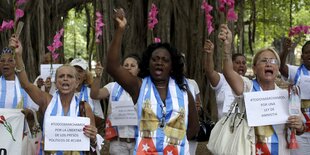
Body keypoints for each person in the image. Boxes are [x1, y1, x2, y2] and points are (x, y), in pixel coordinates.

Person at [106, 9, 199, 154]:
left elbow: (193, 127)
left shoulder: (184, 91)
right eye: (154, 59)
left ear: (172, 66)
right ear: (148, 64)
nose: (159, 63)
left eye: (165, 60)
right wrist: (120, 30)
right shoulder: (138, 86)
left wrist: (170, 145)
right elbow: (112, 67)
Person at [220, 24, 304, 155]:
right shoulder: (247, 87)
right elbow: (228, 72)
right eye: (264, 61)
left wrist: (299, 126)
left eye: (273, 61)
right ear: (254, 68)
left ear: (277, 69)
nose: (269, 64)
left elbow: (300, 128)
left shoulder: (287, 95)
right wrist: (227, 48)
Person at [9, 36, 101, 154]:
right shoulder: (47, 101)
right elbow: (26, 84)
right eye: (61, 76)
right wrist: (18, 55)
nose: (65, 79)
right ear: (56, 82)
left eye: (70, 76)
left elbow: (92, 143)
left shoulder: (84, 107)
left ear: (77, 82)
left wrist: (93, 137)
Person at [90, 54, 140, 155]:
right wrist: (98, 77)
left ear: (139, 69)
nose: (128, 68)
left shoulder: (145, 88)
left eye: (132, 65)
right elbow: (95, 95)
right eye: (126, 65)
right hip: (118, 143)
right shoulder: (113, 87)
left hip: (139, 142)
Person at [280, 40, 310, 155]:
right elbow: (281, 68)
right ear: (302, 56)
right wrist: (285, 51)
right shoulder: (296, 71)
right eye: (307, 53)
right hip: (298, 132)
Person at [204, 40, 247, 119]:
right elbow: (209, 72)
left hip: (244, 129)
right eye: (238, 63)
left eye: (244, 63)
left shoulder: (250, 84)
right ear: (230, 64)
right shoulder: (222, 80)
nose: (241, 65)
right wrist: (209, 54)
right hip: (224, 128)